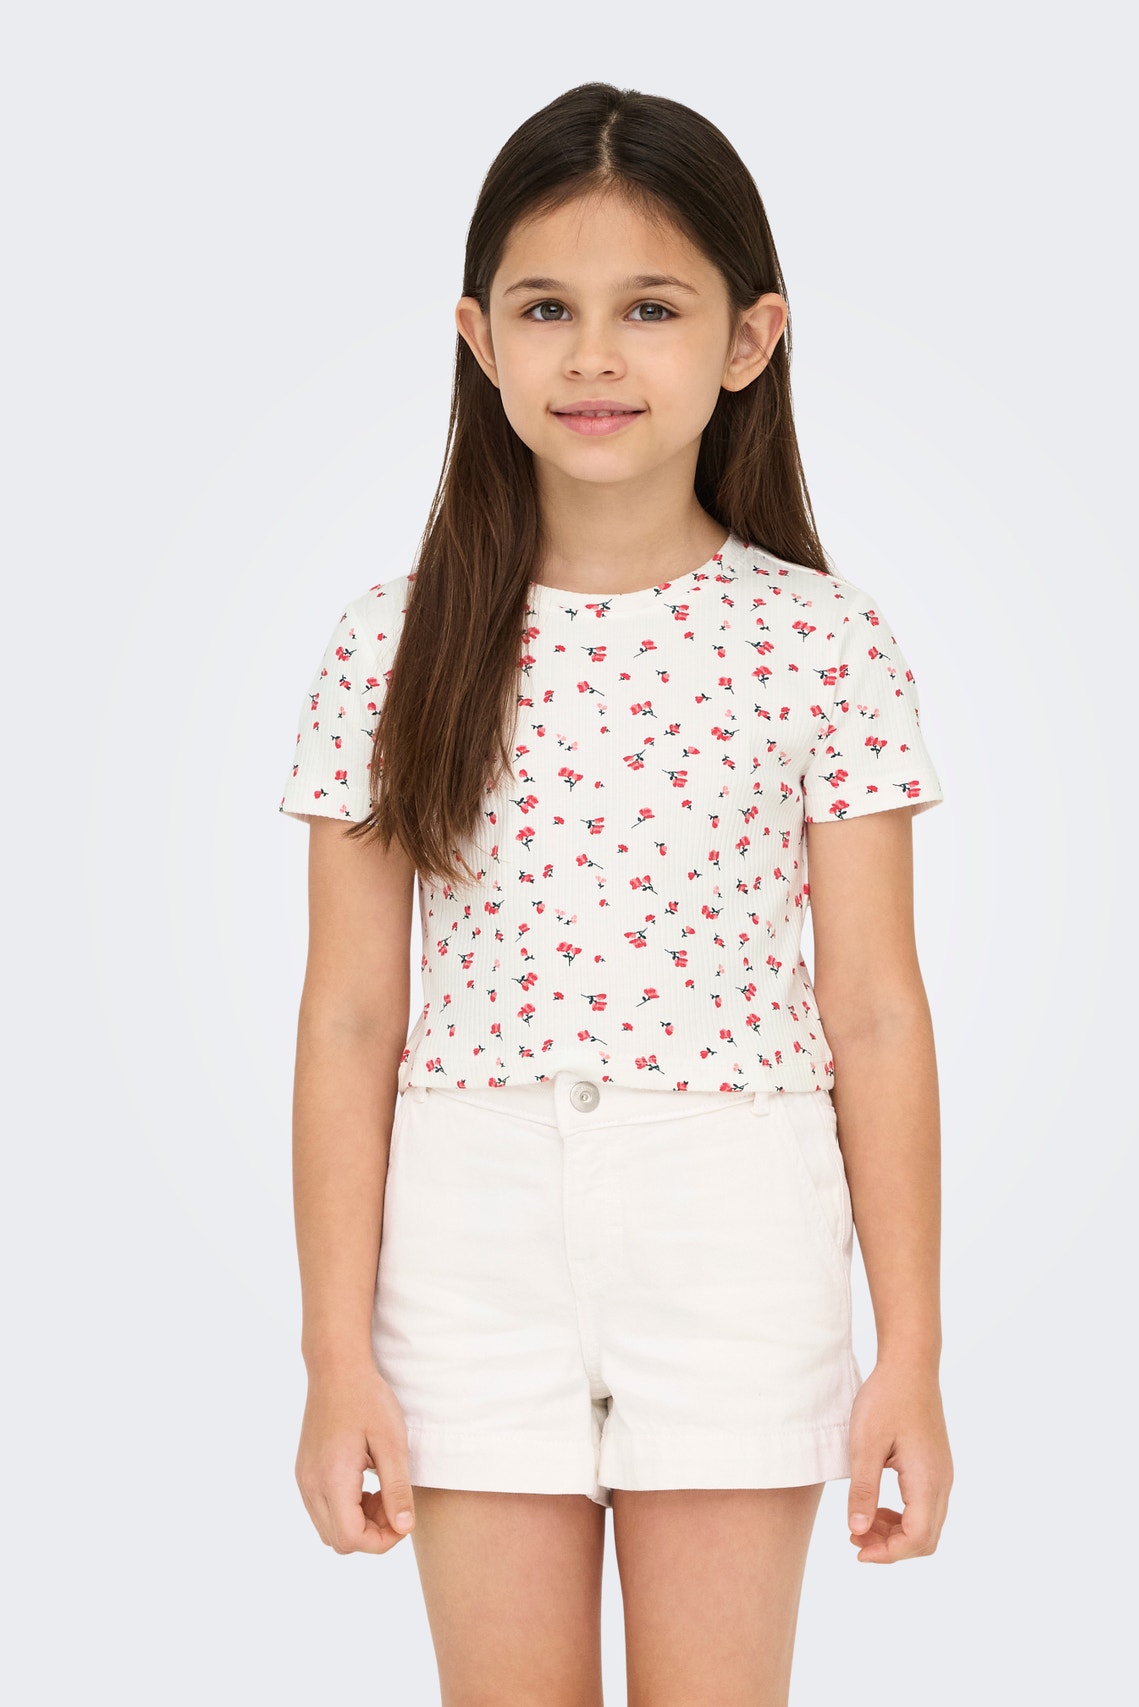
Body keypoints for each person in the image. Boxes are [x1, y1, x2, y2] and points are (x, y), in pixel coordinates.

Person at [278, 80, 953, 1705]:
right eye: (546, 309)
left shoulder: (821, 642)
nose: (593, 356)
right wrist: (332, 1352)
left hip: (733, 1224)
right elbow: (352, 1014)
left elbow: (874, 1009)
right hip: (469, 1235)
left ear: (747, 338)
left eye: (650, 308)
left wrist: (912, 1354)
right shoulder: (389, 646)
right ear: (478, 338)